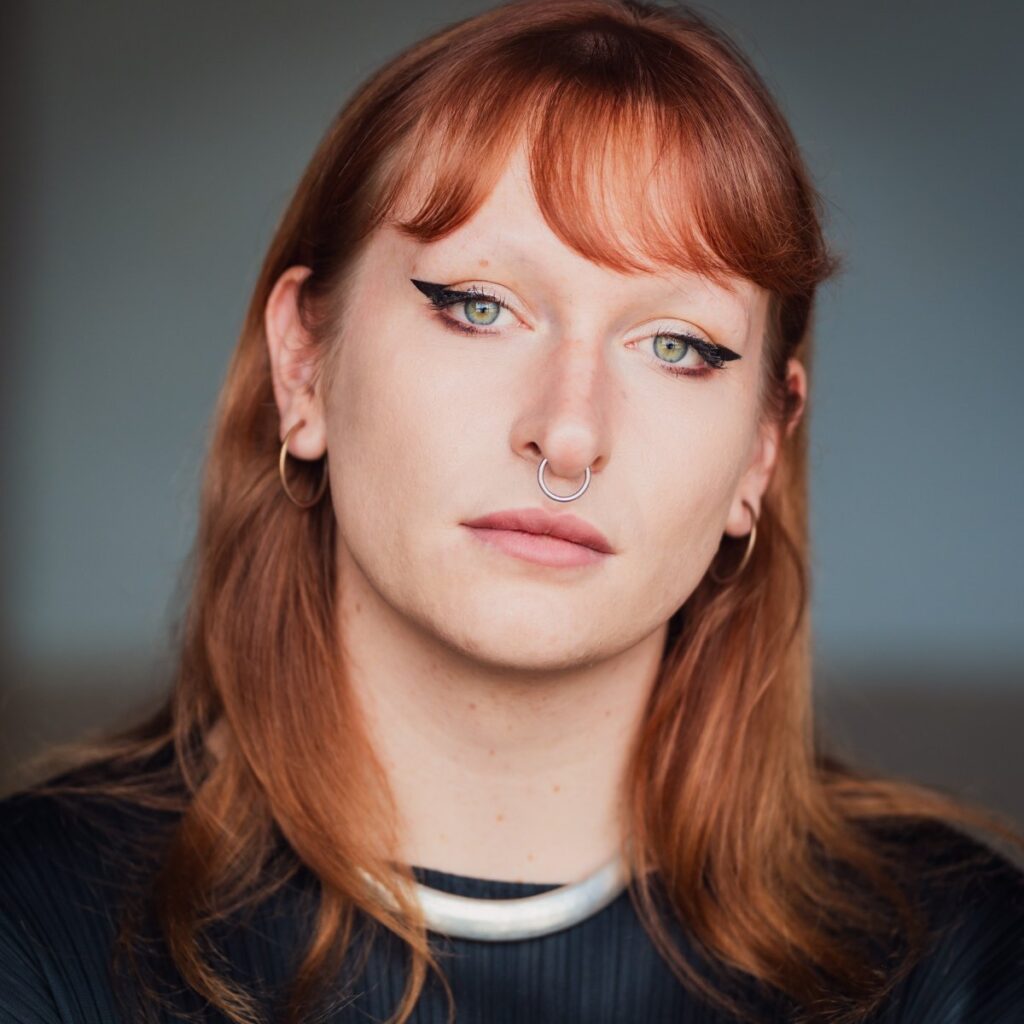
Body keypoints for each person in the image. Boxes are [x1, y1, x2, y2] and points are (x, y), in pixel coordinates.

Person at [2, 0, 1022, 1021]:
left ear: (762, 446)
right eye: (479, 306)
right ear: (303, 363)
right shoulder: (35, 927)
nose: (568, 435)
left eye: (676, 345)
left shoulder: (961, 967)